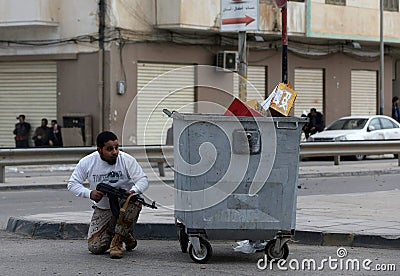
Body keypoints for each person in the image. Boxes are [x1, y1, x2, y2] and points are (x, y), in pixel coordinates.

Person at [67, 131, 148, 259]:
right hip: (103, 209)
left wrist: (133, 191)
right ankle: (126, 234)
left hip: (124, 205)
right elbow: (72, 184)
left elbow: (142, 180)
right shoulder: (87, 162)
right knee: (95, 247)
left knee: (135, 202)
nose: (115, 152)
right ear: (100, 150)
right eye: (109, 149)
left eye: (116, 148)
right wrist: (89, 193)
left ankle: (117, 241)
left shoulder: (126, 160)